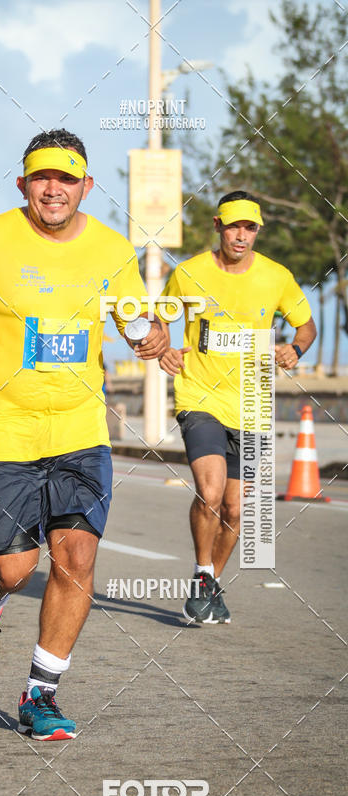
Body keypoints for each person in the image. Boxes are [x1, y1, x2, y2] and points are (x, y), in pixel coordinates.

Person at [0, 128, 168, 740]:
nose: (55, 188)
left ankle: (40, 694)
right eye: (42, 178)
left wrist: (151, 335)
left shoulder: (111, 249)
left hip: (80, 427)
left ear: (87, 185)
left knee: (75, 557)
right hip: (3, 428)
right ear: (23, 183)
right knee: (14, 565)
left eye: (67, 178)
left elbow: (135, 322)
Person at [159, 191, 316, 624]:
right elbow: (159, 319)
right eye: (234, 227)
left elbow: (306, 325)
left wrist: (295, 349)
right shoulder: (188, 274)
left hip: (251, 404)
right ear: (218, 226)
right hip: (199, 399)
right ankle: (202, 571)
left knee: (234, 509)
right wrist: (164, 350)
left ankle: (209, 586)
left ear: (257, 231)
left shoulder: (276, 276)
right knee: (209, 494)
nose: (241, 236)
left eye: (250, 228)